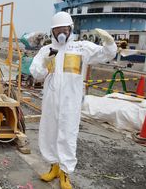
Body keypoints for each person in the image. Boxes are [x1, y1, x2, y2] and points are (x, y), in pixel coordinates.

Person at [29, 12, 117, 189]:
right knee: (50, 133)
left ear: (70, 29)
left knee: (68, 136)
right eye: (58, 30)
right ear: (52, 32)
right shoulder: (46, 51)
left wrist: (109, 42)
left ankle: (65, 173)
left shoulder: (81, 48)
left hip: (71, 102)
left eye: (65, 29)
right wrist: (46, 63)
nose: (62, 33)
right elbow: (36, 73)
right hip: (51, 101)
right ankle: (53, 167)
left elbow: (106, 54)